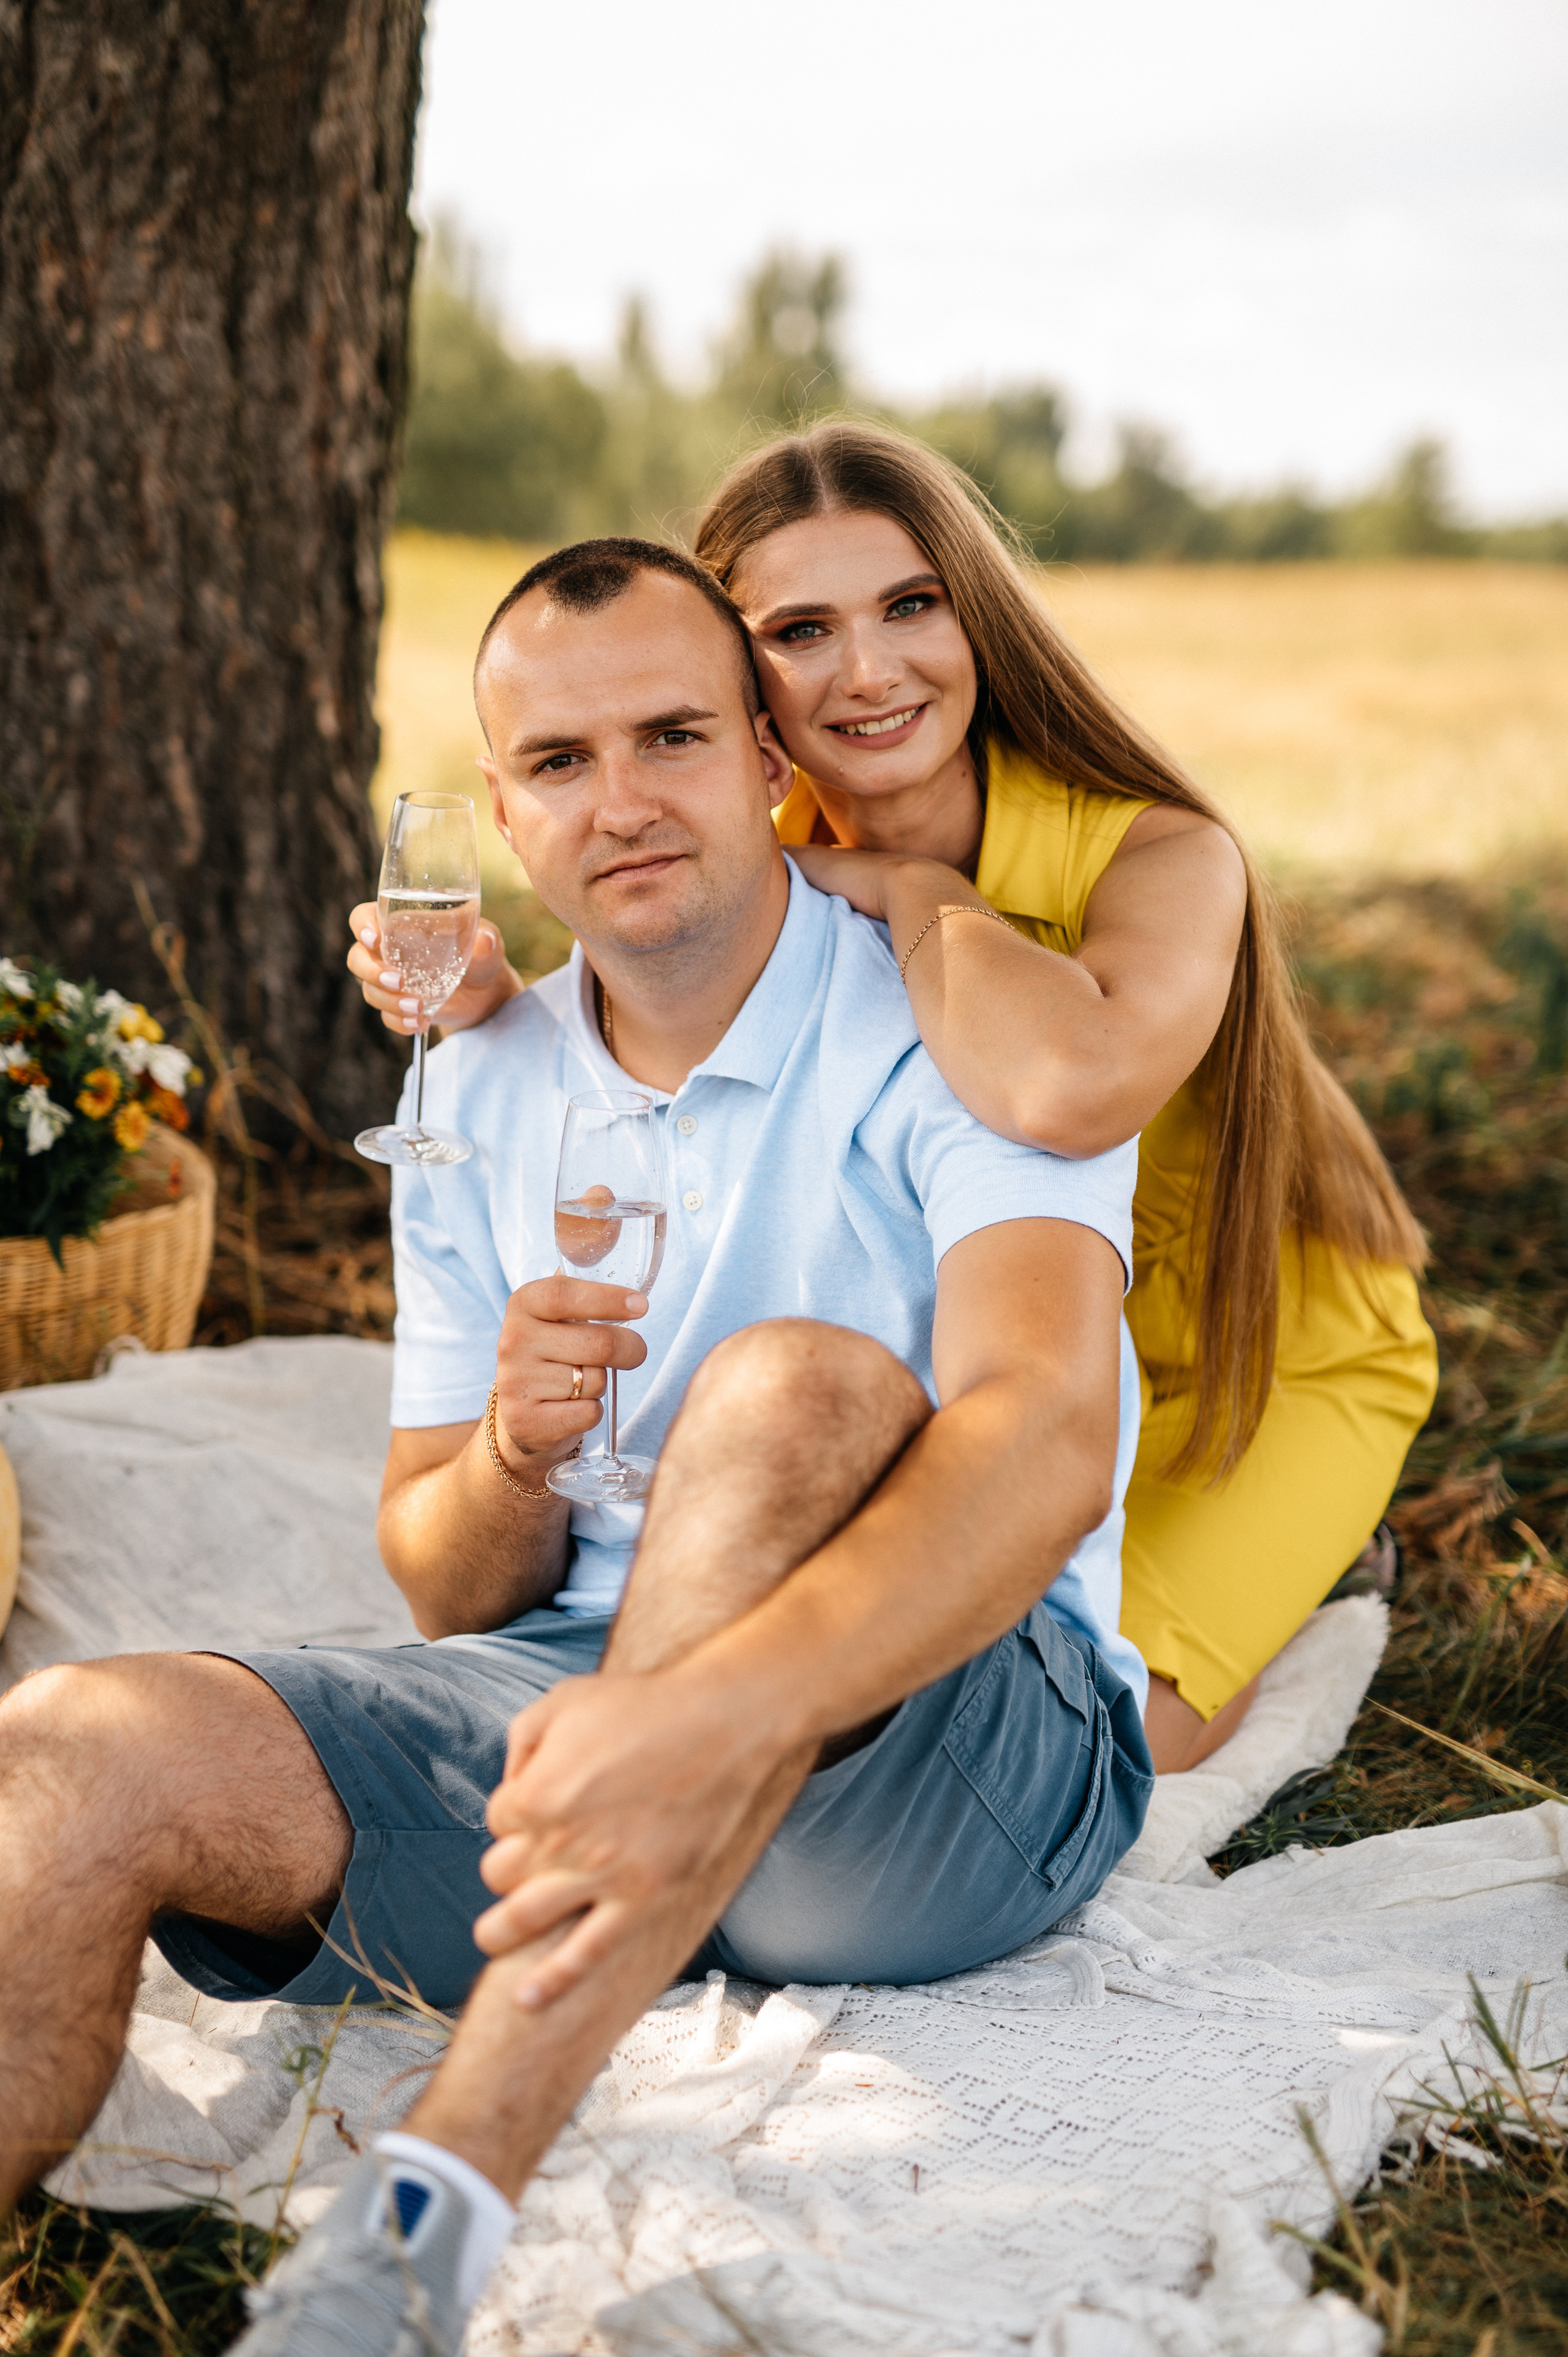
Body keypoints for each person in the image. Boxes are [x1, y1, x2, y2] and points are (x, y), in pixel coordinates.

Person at [0, 540, 1154, 2355]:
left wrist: (687, 1715)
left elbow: (1051, 1436)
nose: (620, 801)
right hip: (575, 1690)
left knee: (782, 1393)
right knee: (72, 1749)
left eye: (674, 736)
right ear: (502, 821)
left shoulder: (957, 1018)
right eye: (557, 764)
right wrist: (518, 1461)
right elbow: (443, 1577)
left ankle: (415, 2228)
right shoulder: (476, 1081)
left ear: (773, 757)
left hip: (956, 1743)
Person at [362, 424, 1437, 1774]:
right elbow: (639, 995)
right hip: (1015, 1343)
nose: (867, 671)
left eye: (911, 606)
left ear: (975, 615)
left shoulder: (1157, 853)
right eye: (800, 630)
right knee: (885, 1668)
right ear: (741, 680)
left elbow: (1064, 1087)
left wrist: (913, 887)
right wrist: (489, 1001)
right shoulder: (759, 835)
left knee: (1127, 1734)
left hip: (1251, 1347)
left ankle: (1317, 1566)